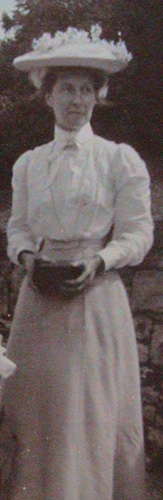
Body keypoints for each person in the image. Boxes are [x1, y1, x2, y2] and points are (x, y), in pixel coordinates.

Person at [0, 25, 153, 500]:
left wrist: (102, 261)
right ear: (47, 96)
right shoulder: (28, 163)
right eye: (67, 88)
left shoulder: (118, 160)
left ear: (98, 96)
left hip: (95, 299)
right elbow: (18, 226)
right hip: (38, 302)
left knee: (88, 416)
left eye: (88, 89)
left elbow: (138, 233)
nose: (77, 100)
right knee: (36, 414)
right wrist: (28, 257)